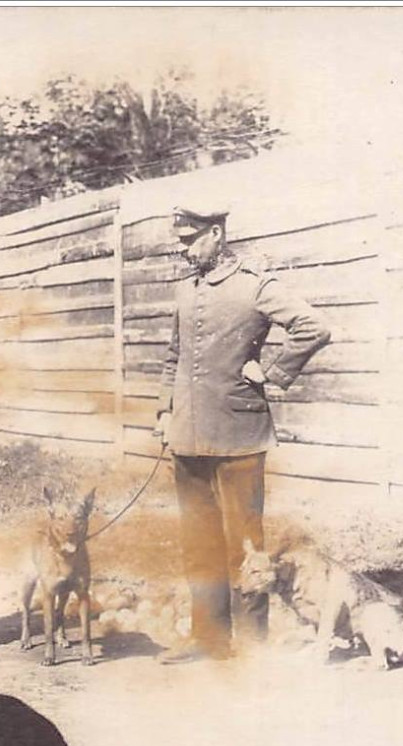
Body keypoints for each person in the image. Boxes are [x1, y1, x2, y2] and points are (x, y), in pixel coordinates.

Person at [153, 204, 332, 664]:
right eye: (180, 241)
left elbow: (313, 327)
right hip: (188, 435)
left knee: (245, 545)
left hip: (239, 435)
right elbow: (175, 355)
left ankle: (252, 644)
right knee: (198, 541)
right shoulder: (184, 289)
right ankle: (208, 636)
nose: (184, 249)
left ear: (216, 234)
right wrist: (164, 410)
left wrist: (270, 372)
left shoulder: (256, 284)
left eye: (191, 240)